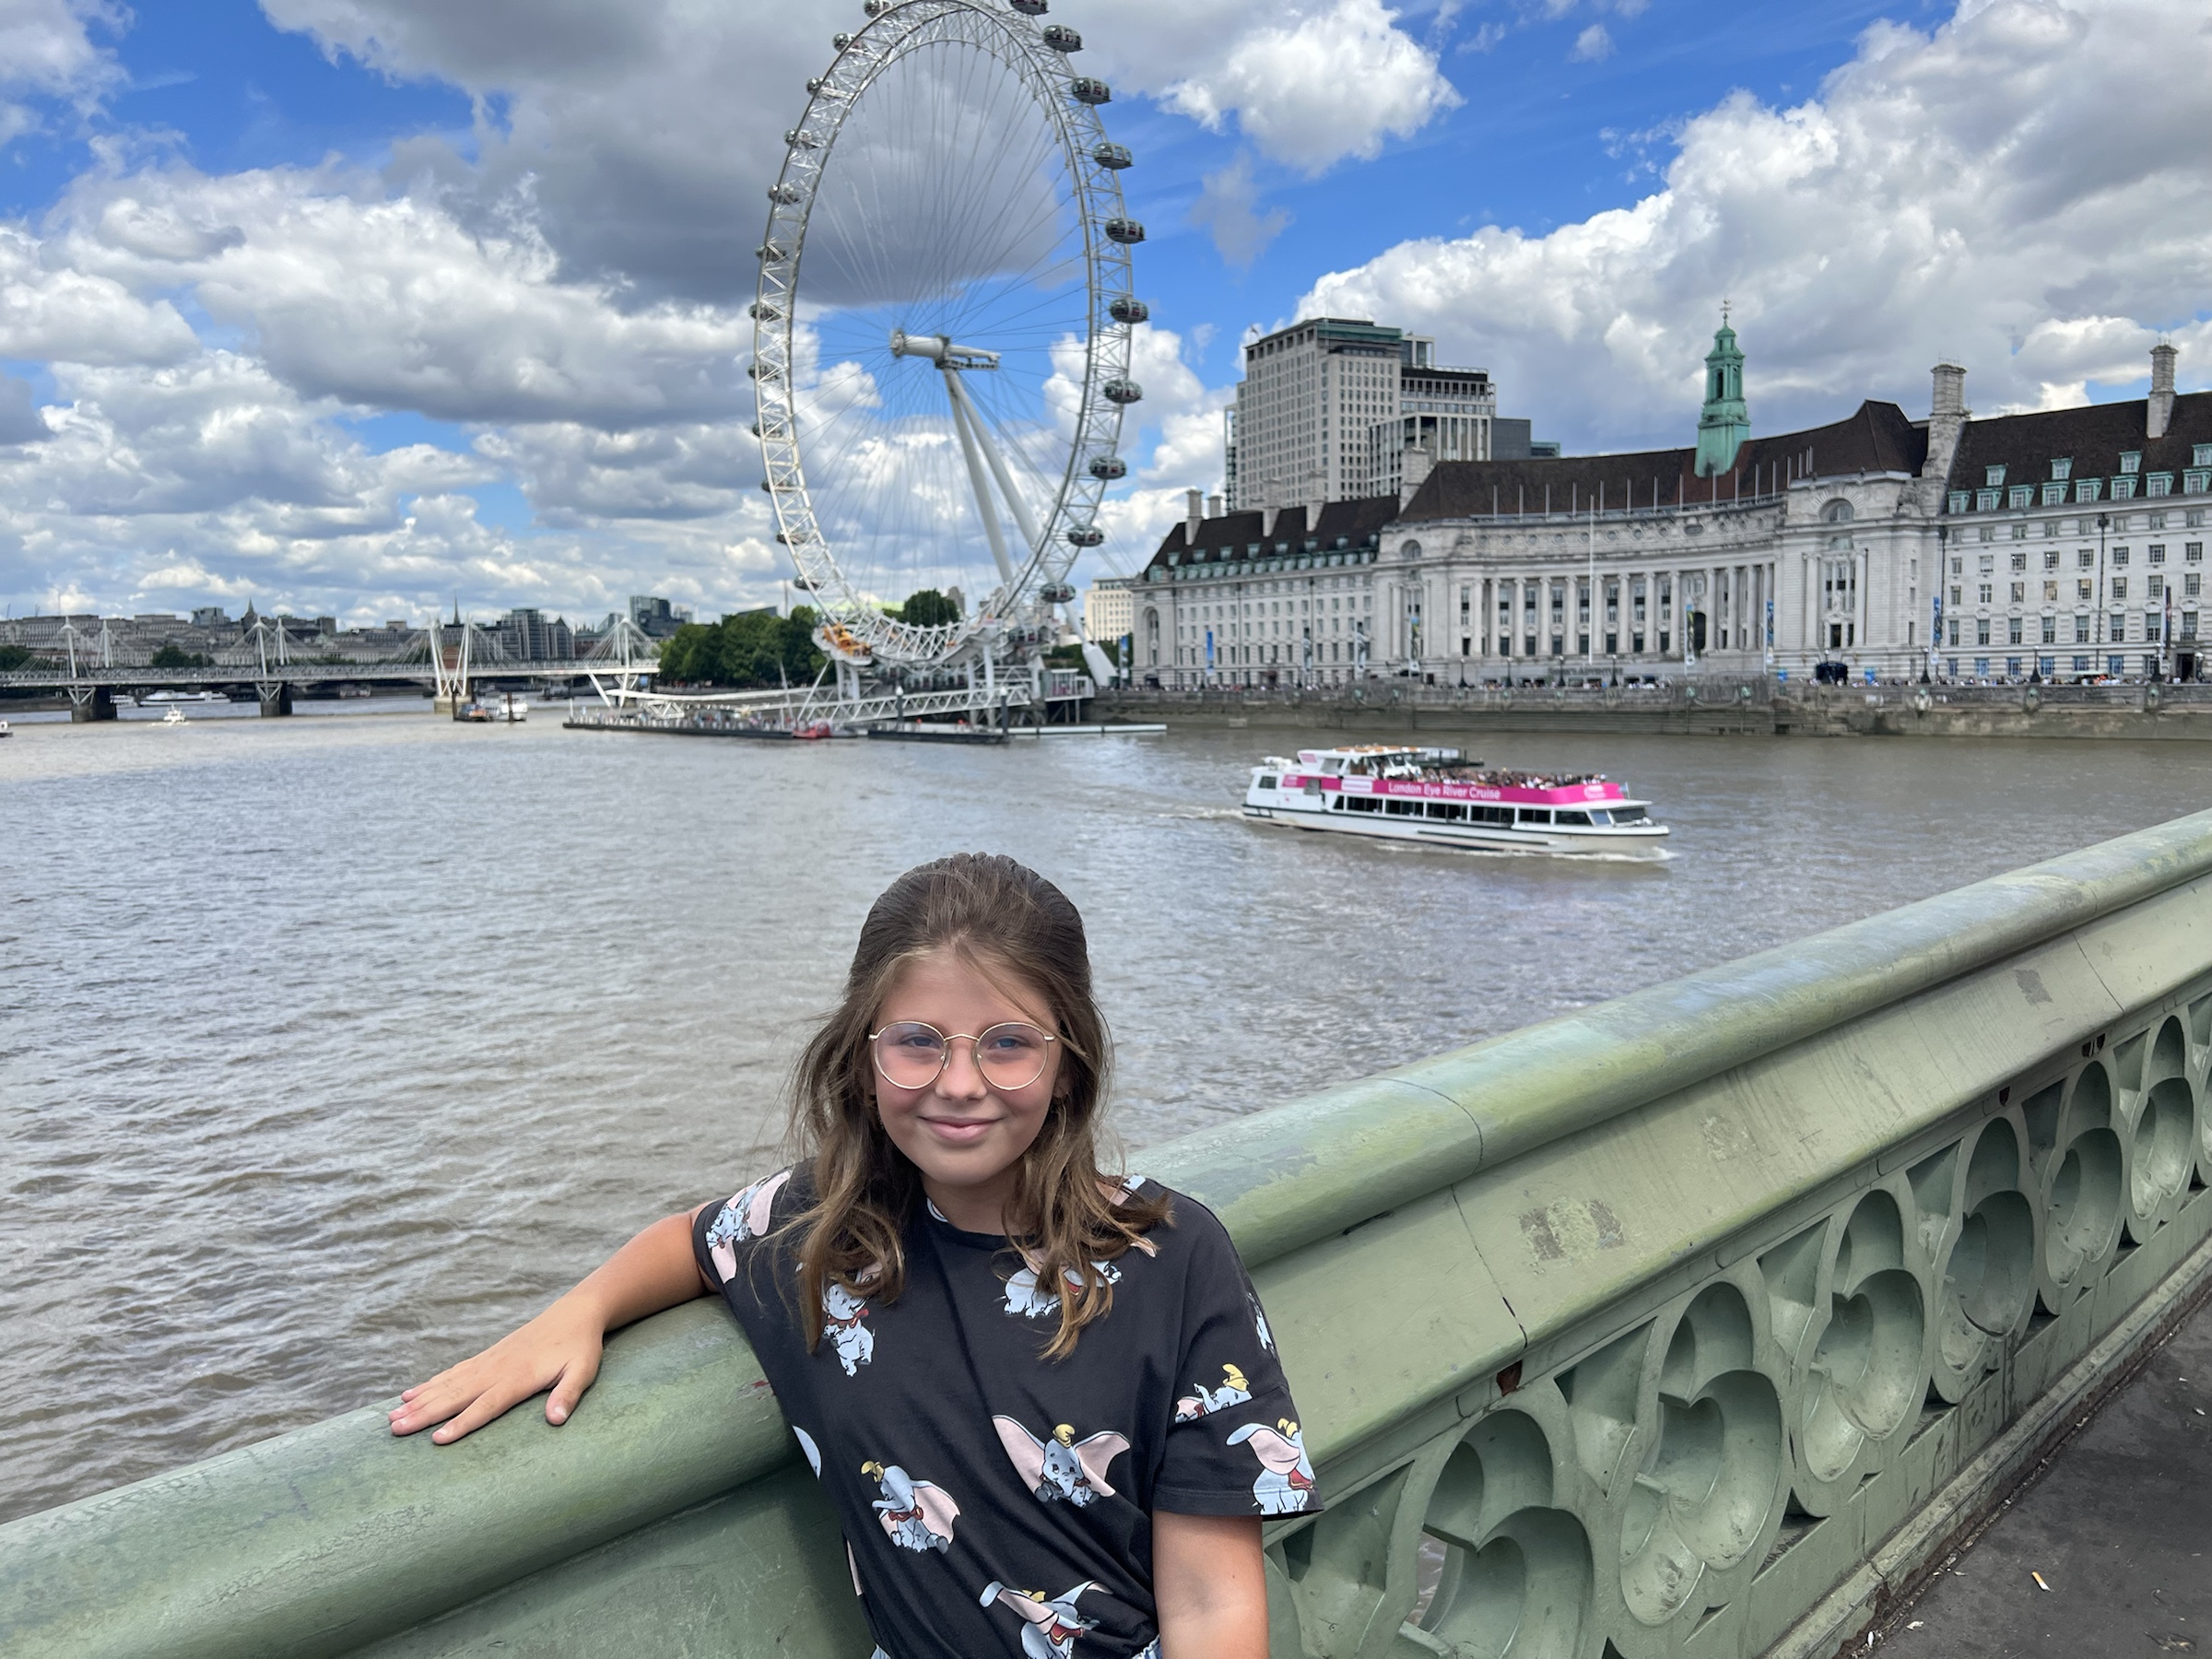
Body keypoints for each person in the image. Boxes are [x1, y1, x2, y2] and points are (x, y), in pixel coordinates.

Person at [389, 853, 1309, 1659]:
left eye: (1008, 1045)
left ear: (1067, 1063)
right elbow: (689, 1239)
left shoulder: (1171, 1257)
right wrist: (577, 1312)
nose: (960, 1083)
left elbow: (1212, 1602)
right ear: (863, 1062)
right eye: (916, 1043)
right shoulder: (822, 1235)